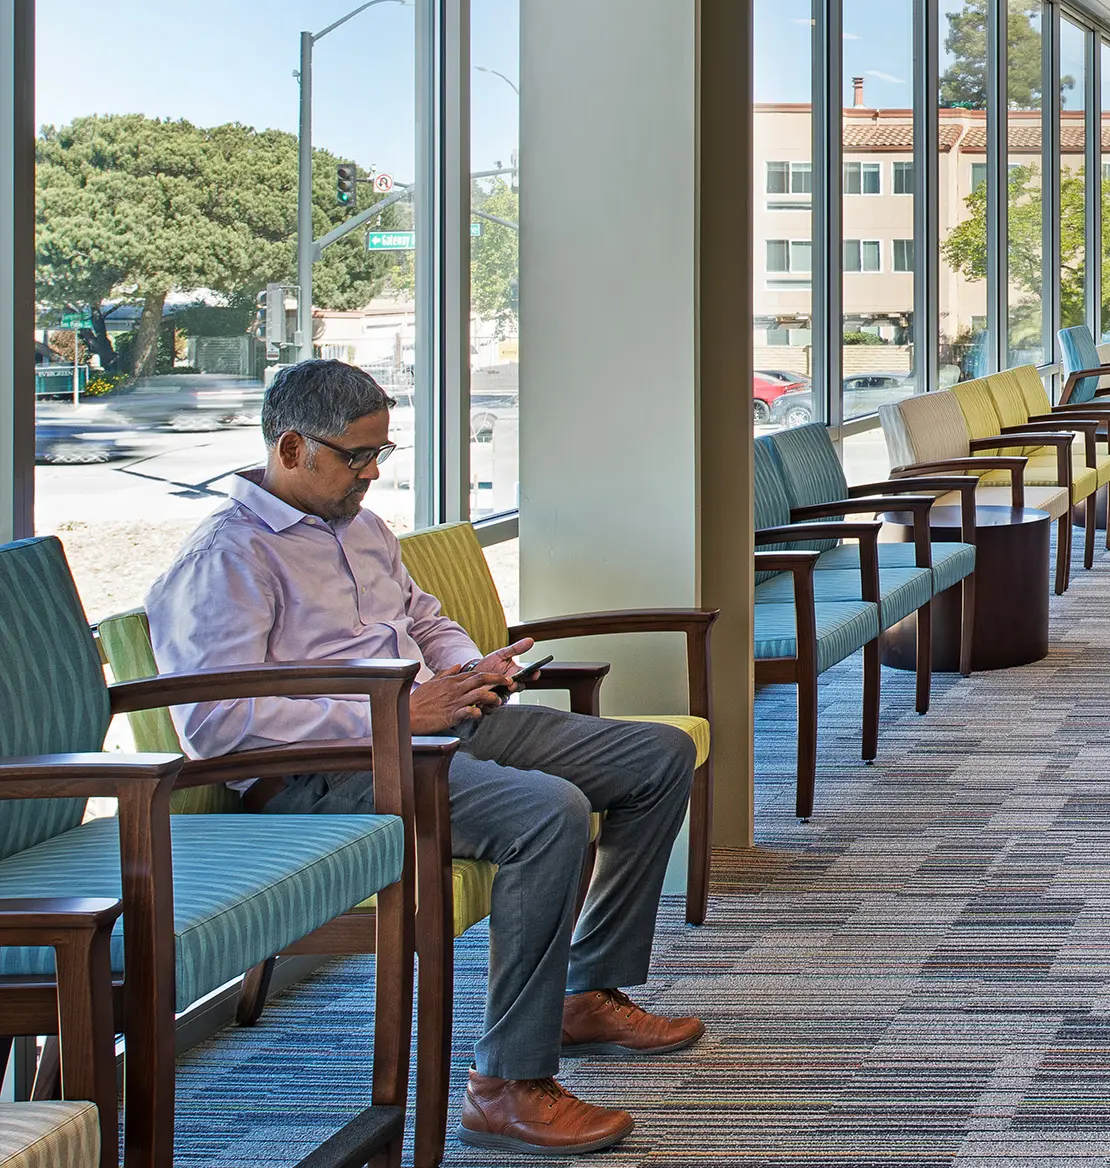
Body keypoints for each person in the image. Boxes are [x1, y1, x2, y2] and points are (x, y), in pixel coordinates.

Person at [145, 360, 703, 1157]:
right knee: (549, 815)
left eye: (382, 452)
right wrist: (397, 713)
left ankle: (585, 990)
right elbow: (217, 723)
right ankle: (506, 1085)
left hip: (432, 727)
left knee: (657, 754)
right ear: (294, 447)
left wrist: (470, 668)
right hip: (324, 772)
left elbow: (423, 615)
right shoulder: (226, 557)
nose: (371, 473)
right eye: (356, 456)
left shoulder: (362, 528)